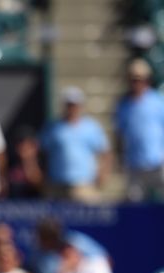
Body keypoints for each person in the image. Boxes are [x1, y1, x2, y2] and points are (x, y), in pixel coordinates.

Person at [40, 86, 110, 203]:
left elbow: (105, 152)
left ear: (81, 106)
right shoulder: (52, 128)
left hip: (83, 185)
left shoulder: (91, 127)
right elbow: (43, 152)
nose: (72, 108)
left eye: (75, 104)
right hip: (57, 184)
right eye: (69, 104)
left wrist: (103, 173)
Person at [114, 58, 164, 202]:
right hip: (134, 164)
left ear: (146, 80)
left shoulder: (157, 102)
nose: (136, 83)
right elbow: (119, 133)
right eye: (133, 79)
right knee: (134, 203)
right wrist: (120, 157)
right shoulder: (123, 105)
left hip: (158, 161)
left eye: (139, 79)